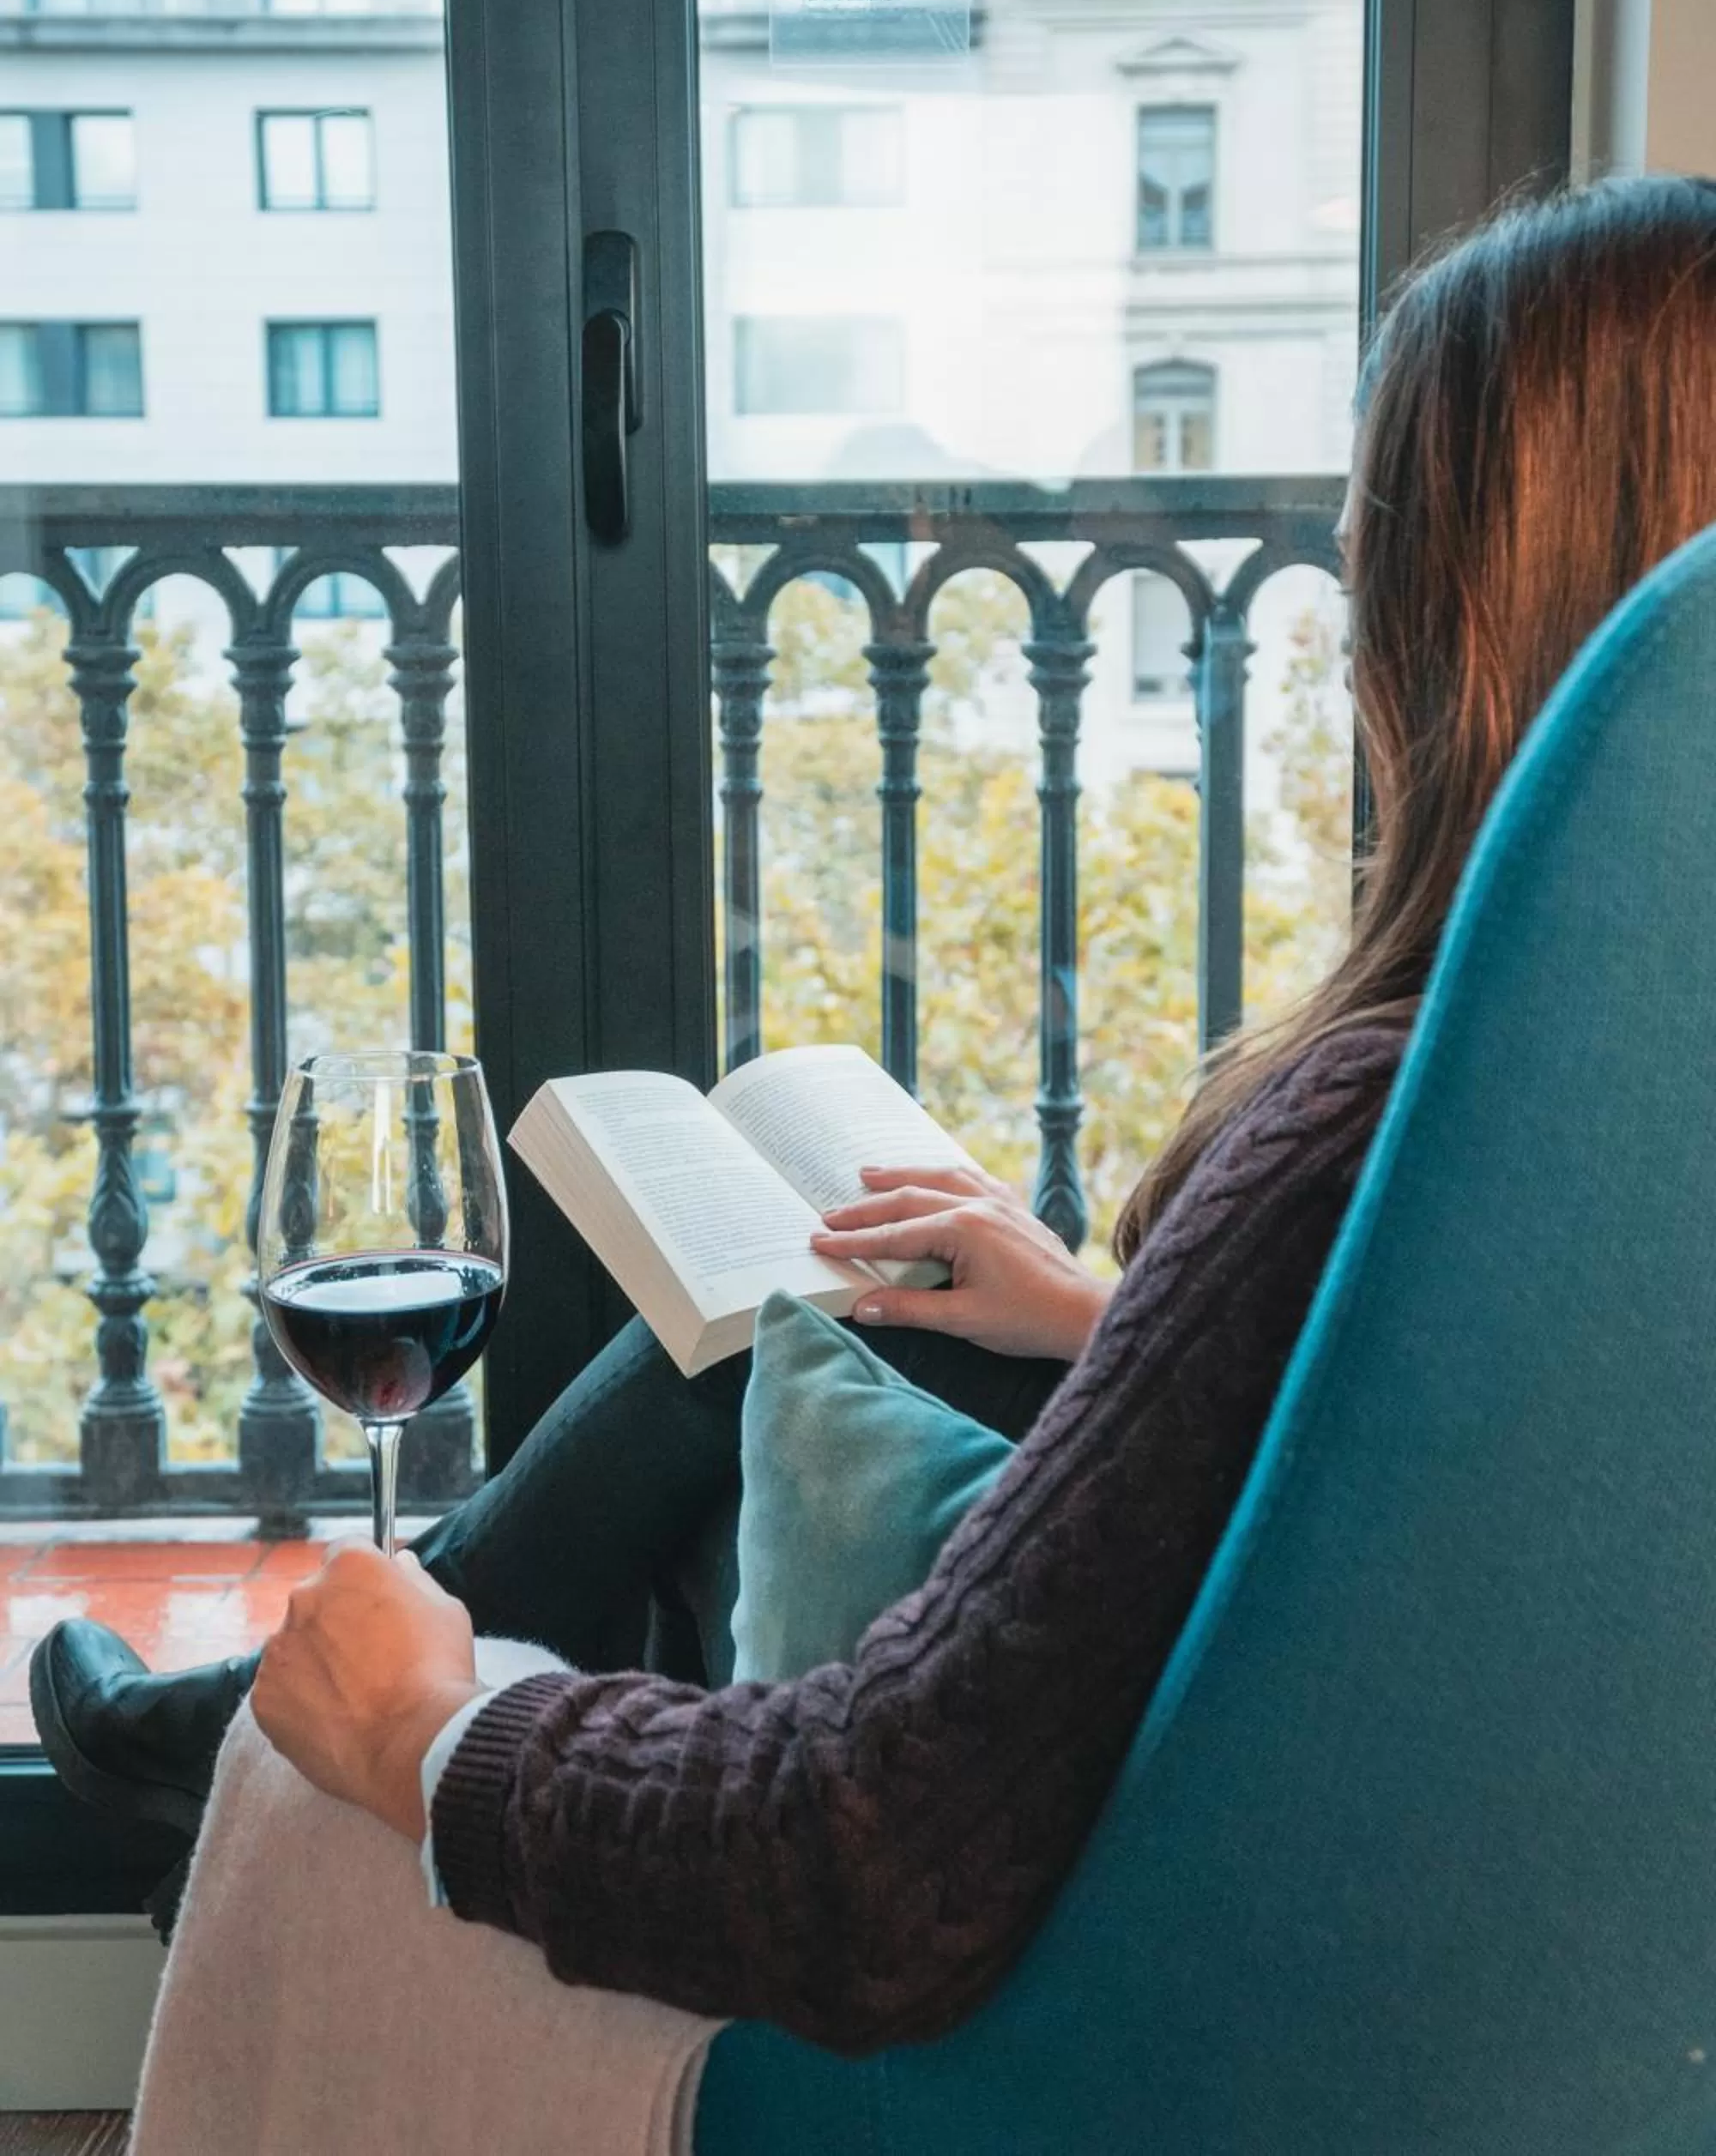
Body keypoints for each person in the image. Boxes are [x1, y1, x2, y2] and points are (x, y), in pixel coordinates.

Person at [33, 173, 1716, 2049]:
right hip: (1498, 1957)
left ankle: (279, 1712)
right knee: (817, 1315)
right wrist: (1112, 1327)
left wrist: (443, 1736)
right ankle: (239, 1718)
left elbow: (859, 1855)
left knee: (758, 1353)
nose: (1336, 619)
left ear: (1479, 608)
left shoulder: (1389, 1109)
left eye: (1368, 553)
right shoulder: (1618, 1075)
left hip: (1124, 1996)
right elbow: (1447, 1460)